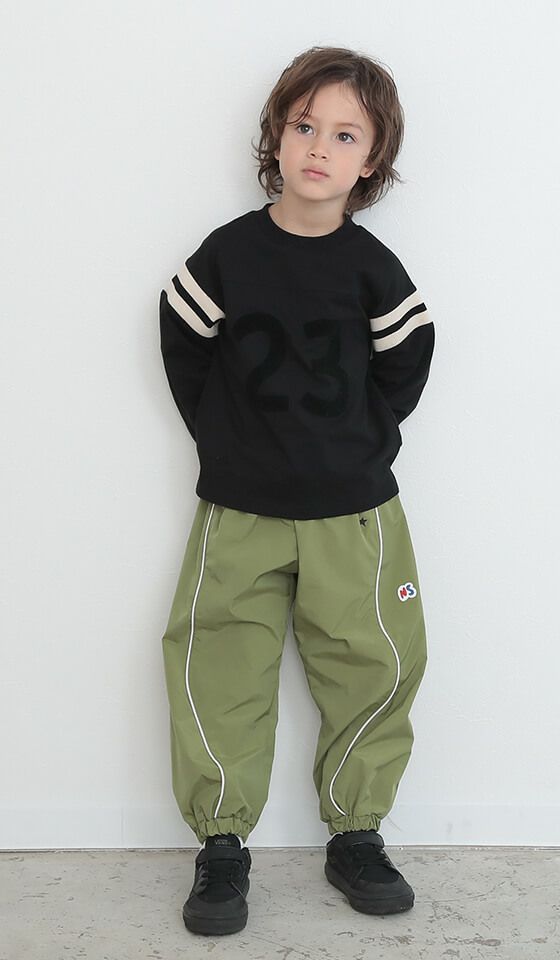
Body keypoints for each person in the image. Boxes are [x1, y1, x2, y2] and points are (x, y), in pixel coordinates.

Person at [158, 45, 435, 936]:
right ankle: (221, 844)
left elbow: (408, 359)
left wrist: (362, 443)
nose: (320, 147)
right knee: (217, 664)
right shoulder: (230, 255)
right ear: (275, 136)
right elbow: (182, 336)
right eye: (305, 125)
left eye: (346, 134)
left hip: (354, 512)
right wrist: (223, 435)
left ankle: (356, 832)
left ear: (372, 159)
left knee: (374, 663)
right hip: (239, 508)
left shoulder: (373, 269)